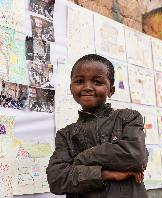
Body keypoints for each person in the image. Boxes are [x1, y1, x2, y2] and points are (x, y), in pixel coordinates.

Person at [47, 54, 148, 198]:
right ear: (71, 88)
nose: (87, 87)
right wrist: (104, 174)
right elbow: (57, 179)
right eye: (80, 81)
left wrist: (82, 158)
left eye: (97, 82)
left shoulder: (128, 118)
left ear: (111, 90)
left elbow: (135, 156)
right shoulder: (66, 135)